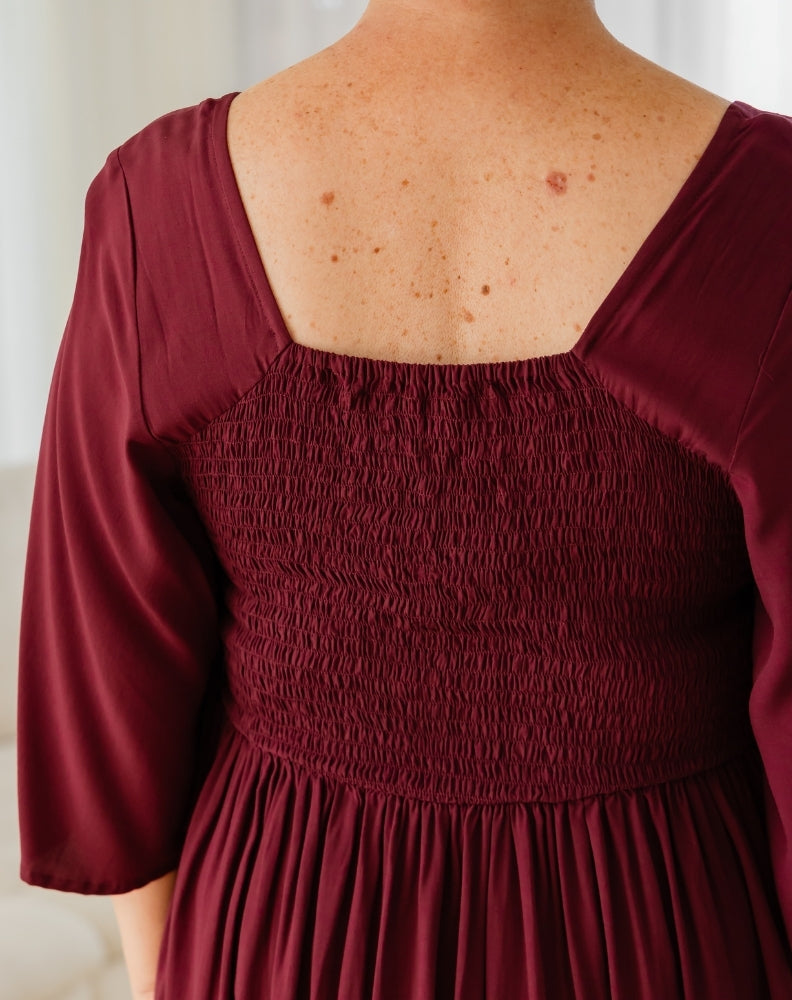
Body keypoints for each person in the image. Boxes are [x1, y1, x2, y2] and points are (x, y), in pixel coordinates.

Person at [15, 0, 792, 997]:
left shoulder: (151, 203)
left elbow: (113, 694)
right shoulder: (769, 216)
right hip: (664, 932)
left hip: (276, 933)